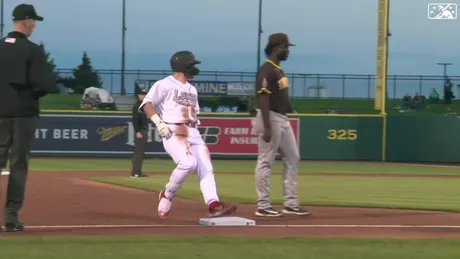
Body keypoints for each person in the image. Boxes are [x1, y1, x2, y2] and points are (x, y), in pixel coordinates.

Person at [139, 51, 237, 218]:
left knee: (206, 167)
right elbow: (147, 103)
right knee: (188, 163)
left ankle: (213, 204)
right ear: (183, 66)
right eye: (192, 64)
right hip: (173, 130)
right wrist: (158, 123)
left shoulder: (192, 89)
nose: (194, 67)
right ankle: (167, 195)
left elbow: (194, 113)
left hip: (193, 130)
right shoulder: (164, 84)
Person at [0, 4, 53, 232]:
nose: (34, 25)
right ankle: (11, 217)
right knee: (18, 165)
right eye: (34, 21)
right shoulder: (32, 50)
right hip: (23, 114)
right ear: (26, 20)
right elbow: (43, 85)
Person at [253, 33, 309, 217]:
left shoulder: (278, 69)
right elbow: (263, 97)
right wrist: (267, 126)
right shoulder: (267, 69)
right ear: (277, 47)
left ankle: (290, 203)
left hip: (282, 119)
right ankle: (263, 205)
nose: (288, 51)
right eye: (286, 47)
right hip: (270, 117)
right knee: (265, 160)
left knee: (293, 157)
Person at [130, 83, 150, 178]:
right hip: (140, 131)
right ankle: (135, 172)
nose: (143, 96)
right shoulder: (138, 106)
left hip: (144, 130)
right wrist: (137, 131)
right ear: (138, 95)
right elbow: (135, 120)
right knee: (139, 152)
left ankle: (138, 171)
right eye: (142, 94)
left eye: (145, 94)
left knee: (141, 153)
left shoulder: (143, 106)